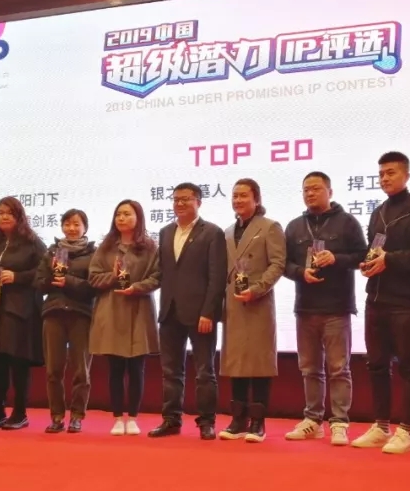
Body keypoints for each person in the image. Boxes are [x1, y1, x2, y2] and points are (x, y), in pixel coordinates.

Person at [351, 151, 410, 454]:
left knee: (408, 364)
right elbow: (373, 250)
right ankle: (381, 426)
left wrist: (390, 259)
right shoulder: (378, 212)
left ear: (406, 175)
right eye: (381, 174)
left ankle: (407, 431)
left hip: (406, 298)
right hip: (376, 297)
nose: (385, 178)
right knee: (376, 364)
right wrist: (368, 264)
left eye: (391, 172)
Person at [281, 172, 367, 445]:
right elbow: (283, 264)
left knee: (339, 368)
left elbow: (363, 256)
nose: (310, 193)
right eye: (306, 189)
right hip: (305, 307)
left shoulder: (347, 222)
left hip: (337, 308)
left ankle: (339, 422)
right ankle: (312, 420)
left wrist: (336, 258)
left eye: (316, 188)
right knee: (309, 368)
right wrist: (300, 272)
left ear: (330, 191)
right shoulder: (294, 227)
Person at [148, 182, 227, 440]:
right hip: (169, 311)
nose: (180, 203)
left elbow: (217, 277)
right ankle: (171, 420)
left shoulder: (212, 232)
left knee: (205, 371)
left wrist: (209, 312)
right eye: (176, 199)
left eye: (186, 199)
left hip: (200, 313)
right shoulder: (165, 232)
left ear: (198, 202)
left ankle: (207, 422)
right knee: (171, 372)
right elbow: (162, 271)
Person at [0, 196, 47, 430]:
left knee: (18, 361)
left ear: (19, 216)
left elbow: (43, 271)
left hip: (20, 310)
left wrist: (17, 277)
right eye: (0, 212)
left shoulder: (32, 243)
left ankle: (20, 412)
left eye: (9, 213)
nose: (4, 216)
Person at [218, 179, 286, 443]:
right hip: (233, 303)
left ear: (256, 199)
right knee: (235, 362)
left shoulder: (269, 227)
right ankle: (238, 419)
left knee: (258, 363)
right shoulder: (227, 232)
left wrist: (257, 289)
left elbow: (277, 264)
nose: (238, 200)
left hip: (258, 303)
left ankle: (258, 422)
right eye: (235, 195)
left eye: (243, 195)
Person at [89, 200, 161, 436]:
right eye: (118, 214)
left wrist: (137, 287)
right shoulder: (106, 247)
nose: (121, 218)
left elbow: (157, 277)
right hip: (111, 311)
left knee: (137, 368)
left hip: (138, 310)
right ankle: (118, 417)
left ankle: (133, 417)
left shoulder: (150, 247)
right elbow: (93, 277)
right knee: (116, 369)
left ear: (138, 218)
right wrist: (113, 277)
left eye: (127, 214)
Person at [34, 209, 97, 434]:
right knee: (53, 369)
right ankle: (57, 416)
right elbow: (38, 283)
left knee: (82, 370)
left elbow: (94, 286)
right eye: (67, 224)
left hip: (81, 314)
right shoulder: (51, 252)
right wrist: (53, 278)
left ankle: (77, 416)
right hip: (54, 313)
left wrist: (68, 280)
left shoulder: (94, 254)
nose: (71, 228)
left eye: (76, 224)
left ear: (85, 228)